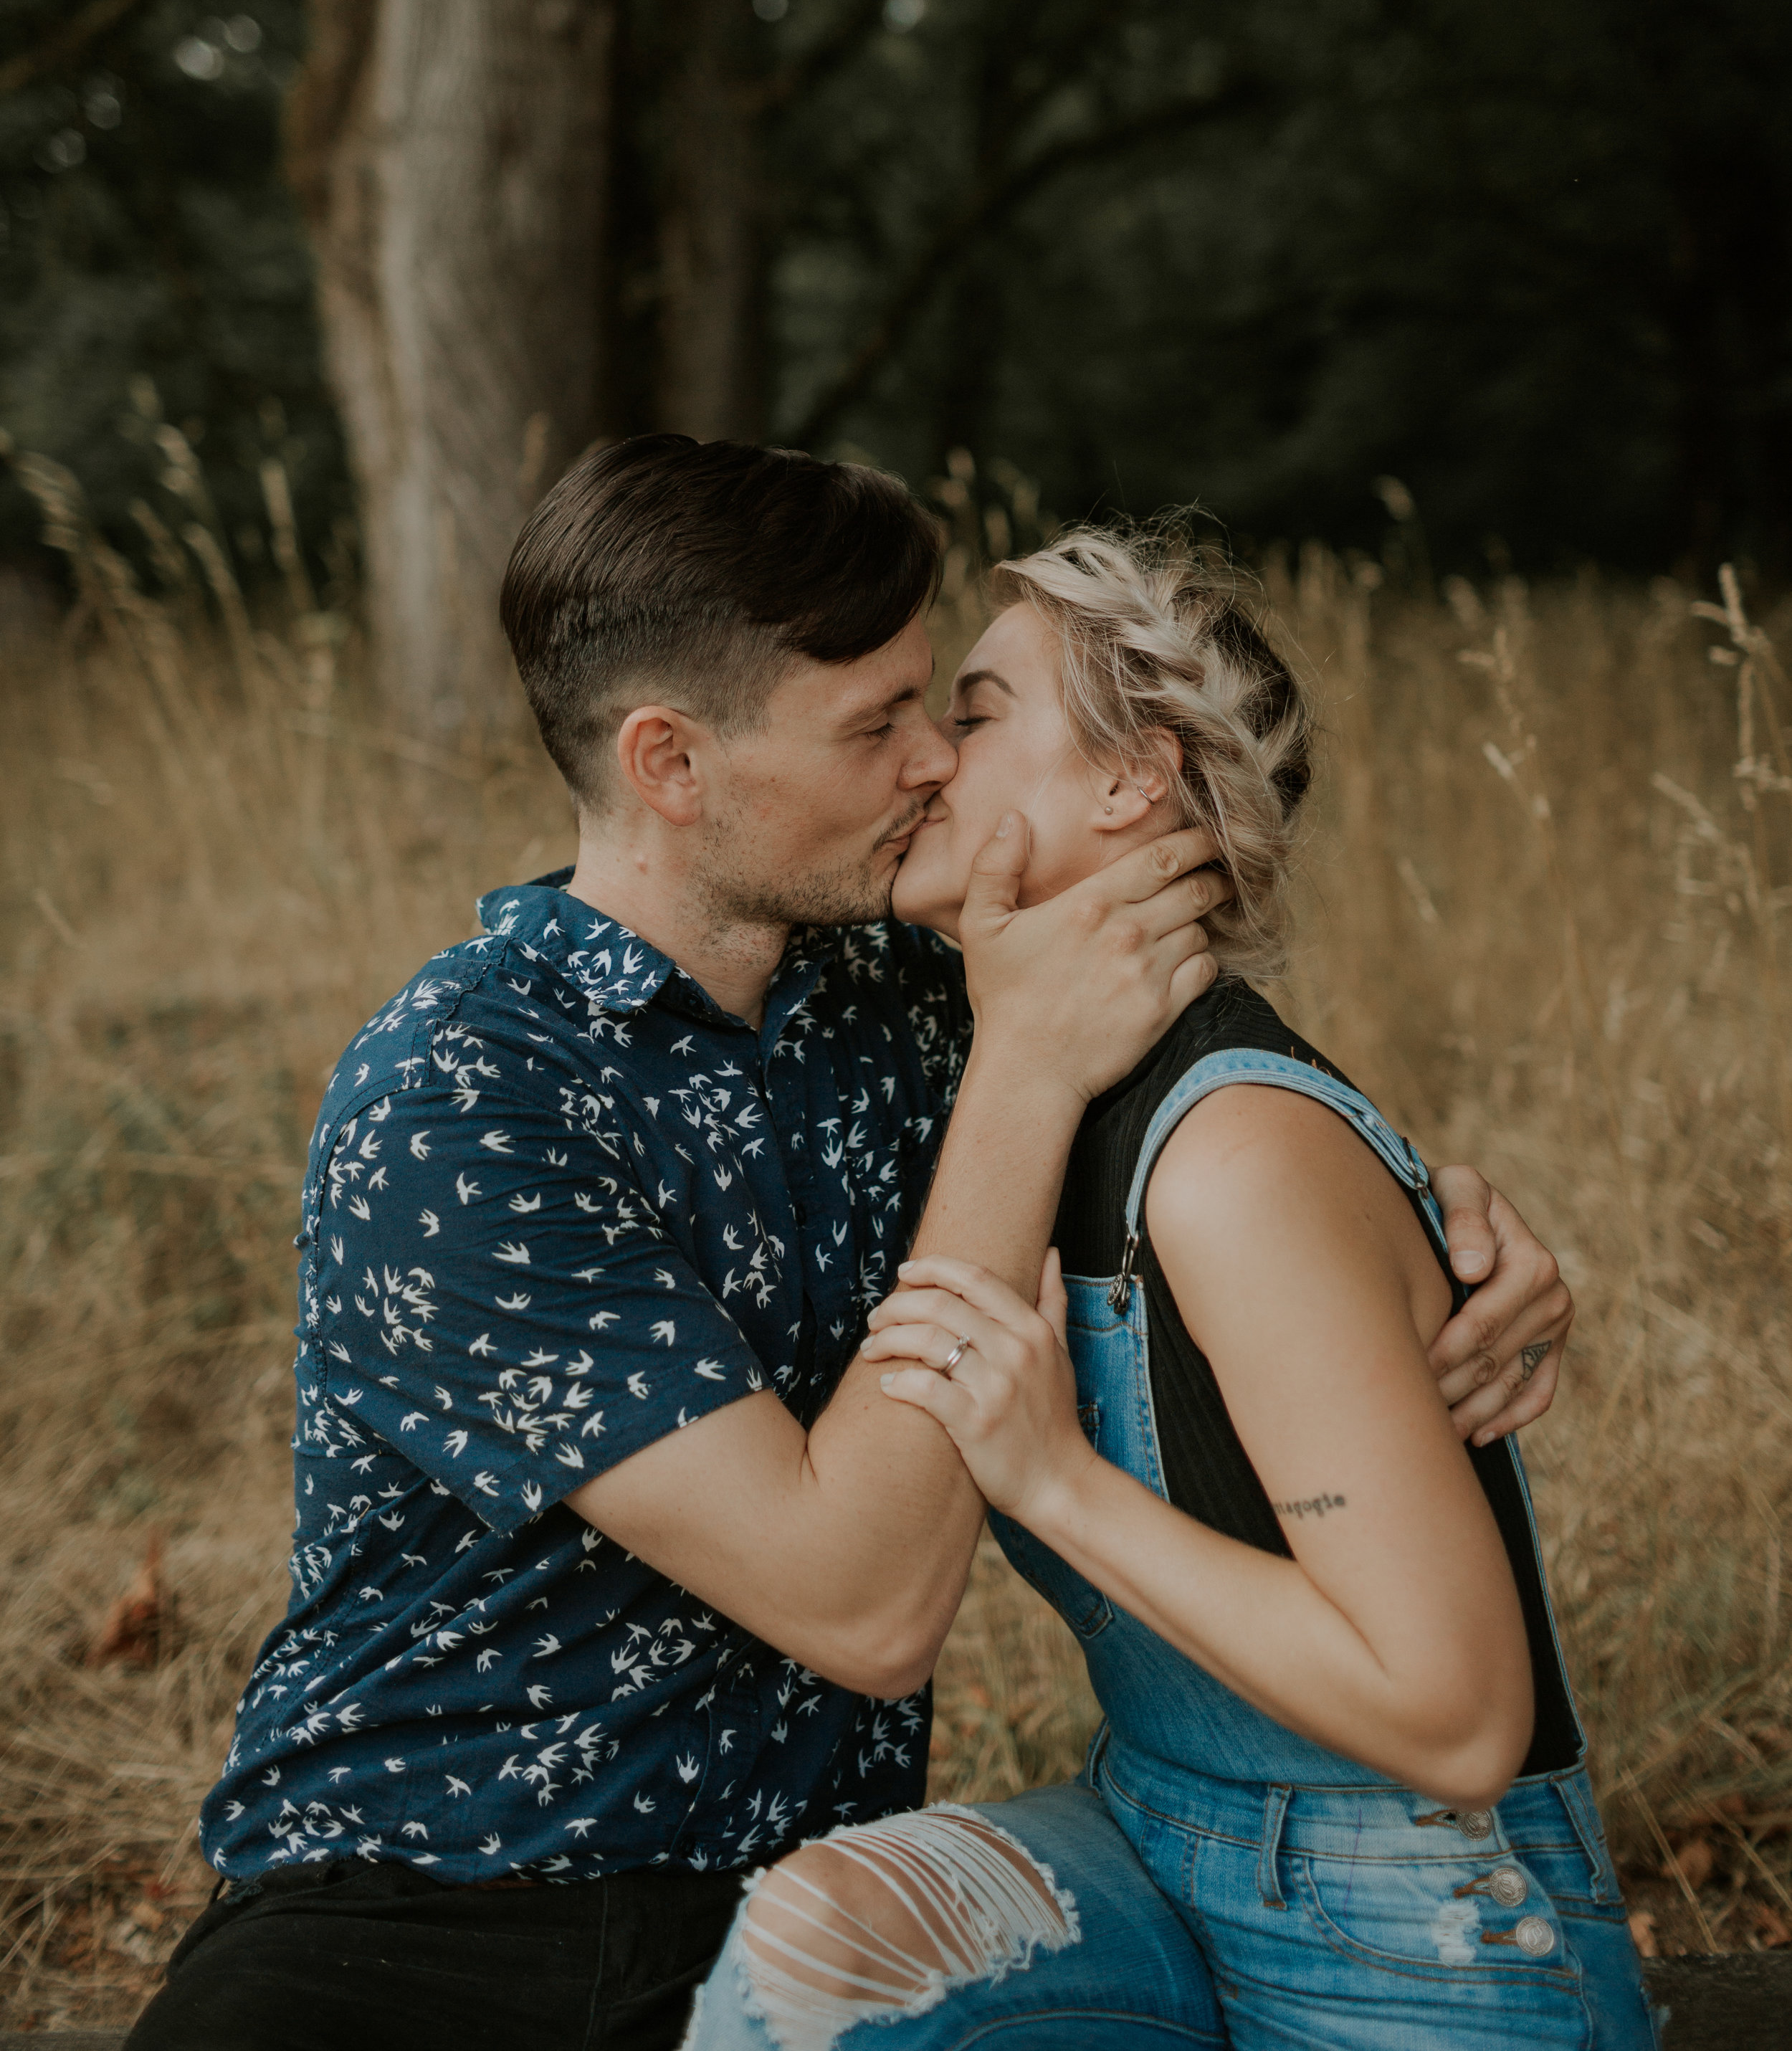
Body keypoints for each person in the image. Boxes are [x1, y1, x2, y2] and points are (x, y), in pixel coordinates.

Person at [125, 442, 1571, 2051]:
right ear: (669, 763)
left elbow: (1218, 1146)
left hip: (791, 1923)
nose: (930, 766)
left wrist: (1441, 1227)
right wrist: (1020, 1073)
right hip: (424, 1907)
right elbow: (863, 1609)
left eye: (941, 707)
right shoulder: (463, 1096)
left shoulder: (908, 1002)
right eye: (877, 725)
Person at [685, 522, 1652, 2051]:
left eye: (982, 711)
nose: (930, 757)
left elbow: (1457, 1719)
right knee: (823, 1948)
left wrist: (1056, 1481)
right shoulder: (1015, 1078)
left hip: (1415, 1937)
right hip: (1152, 1832)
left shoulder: (1229, 1158)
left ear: (1133, 778)